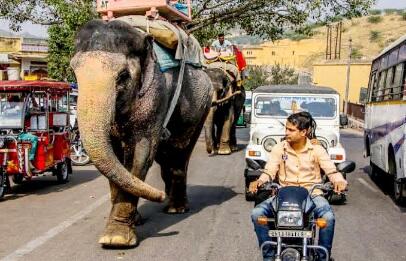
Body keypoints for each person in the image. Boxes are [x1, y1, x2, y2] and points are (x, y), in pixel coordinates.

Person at [250, 112, 347, 261]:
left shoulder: (317, 149)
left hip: (312, 195)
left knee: (328, 218)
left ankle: (323, 257)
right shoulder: (279, 148)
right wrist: (259, 181)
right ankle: (269, 256)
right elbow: (269, 171)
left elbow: (331, 170)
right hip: (283, 195)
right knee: (257, 214)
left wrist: (339, 181)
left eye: (291, 130)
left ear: (303, 132)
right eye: (286, 129)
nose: (286, 132)